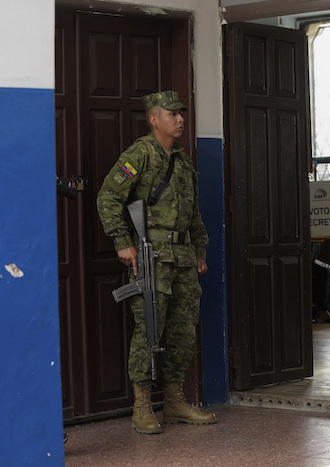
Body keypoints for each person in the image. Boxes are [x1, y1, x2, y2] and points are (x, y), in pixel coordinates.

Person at [97, 90, 216, 434]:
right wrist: (122, 242)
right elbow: (108, 196)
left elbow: (193, 214)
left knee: (181, 333)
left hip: (182, 260)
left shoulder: (182, 161)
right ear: (153, 119)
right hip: (152, 260)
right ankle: (142, 406)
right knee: (149, 331)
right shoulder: (140, 154)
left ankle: (176, 403)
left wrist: (199, 252)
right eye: (172, 113)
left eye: (181, 113)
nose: (180, 118)